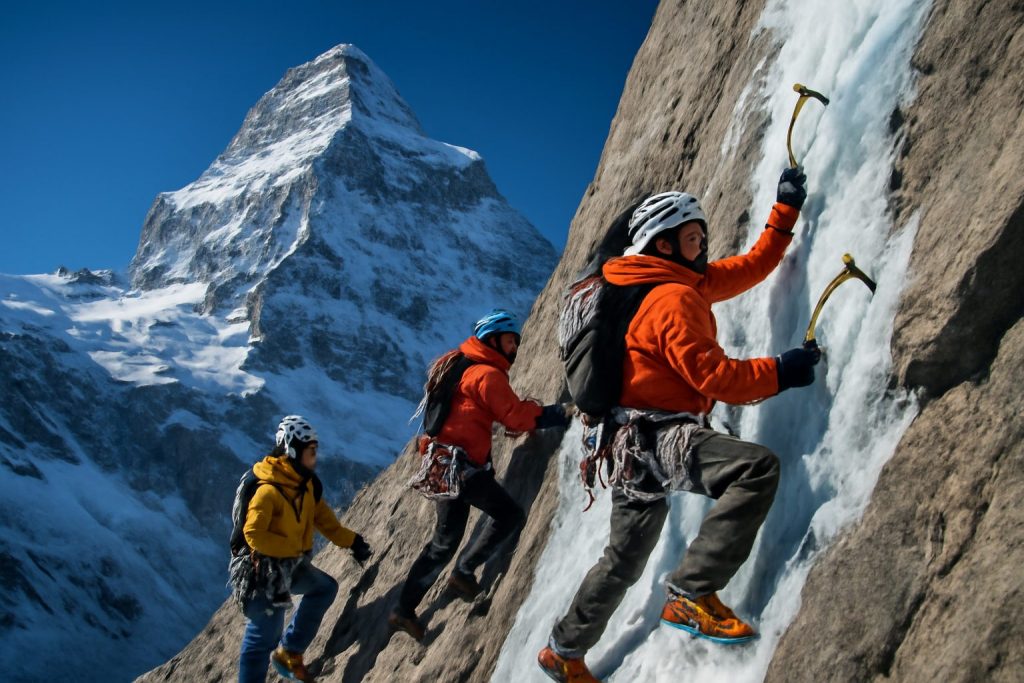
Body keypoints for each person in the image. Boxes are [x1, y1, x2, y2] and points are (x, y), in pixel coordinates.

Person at [537, 168, 821, 682]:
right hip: (660, 437)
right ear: (663, 245)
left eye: (702, 240)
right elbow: (716, 377)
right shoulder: (672, 299)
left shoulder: (652, 284)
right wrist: (782, 371)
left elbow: (750, 267)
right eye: (693, 240)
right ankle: (691, 592)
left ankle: (563, 648)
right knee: (754, 471)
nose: (702, 249)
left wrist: (785, 212)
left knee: (623, 560)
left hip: (624, 449)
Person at [389, 309, 571, 641]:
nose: (514, 348)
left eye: (516, 341)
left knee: (444, 542)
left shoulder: (456, 363)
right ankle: (463, 572)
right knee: (508, 514)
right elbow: (515, 417)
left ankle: (403, 609)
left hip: (442, 464)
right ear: (492, 339)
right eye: (509, 340)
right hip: (464, 468)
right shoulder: (486, 375)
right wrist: (557, 414)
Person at [234, 415, 372, 683]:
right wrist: (292, 548)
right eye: (310, 452)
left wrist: (351, 541)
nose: (315, 458)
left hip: (288, 565)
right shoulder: (268, 490)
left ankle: (289, 654)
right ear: (292, 450)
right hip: (261, 574)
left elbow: (324, 520)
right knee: (264, 635)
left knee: (324, 588)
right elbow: (253, 534)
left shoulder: (305, 485)